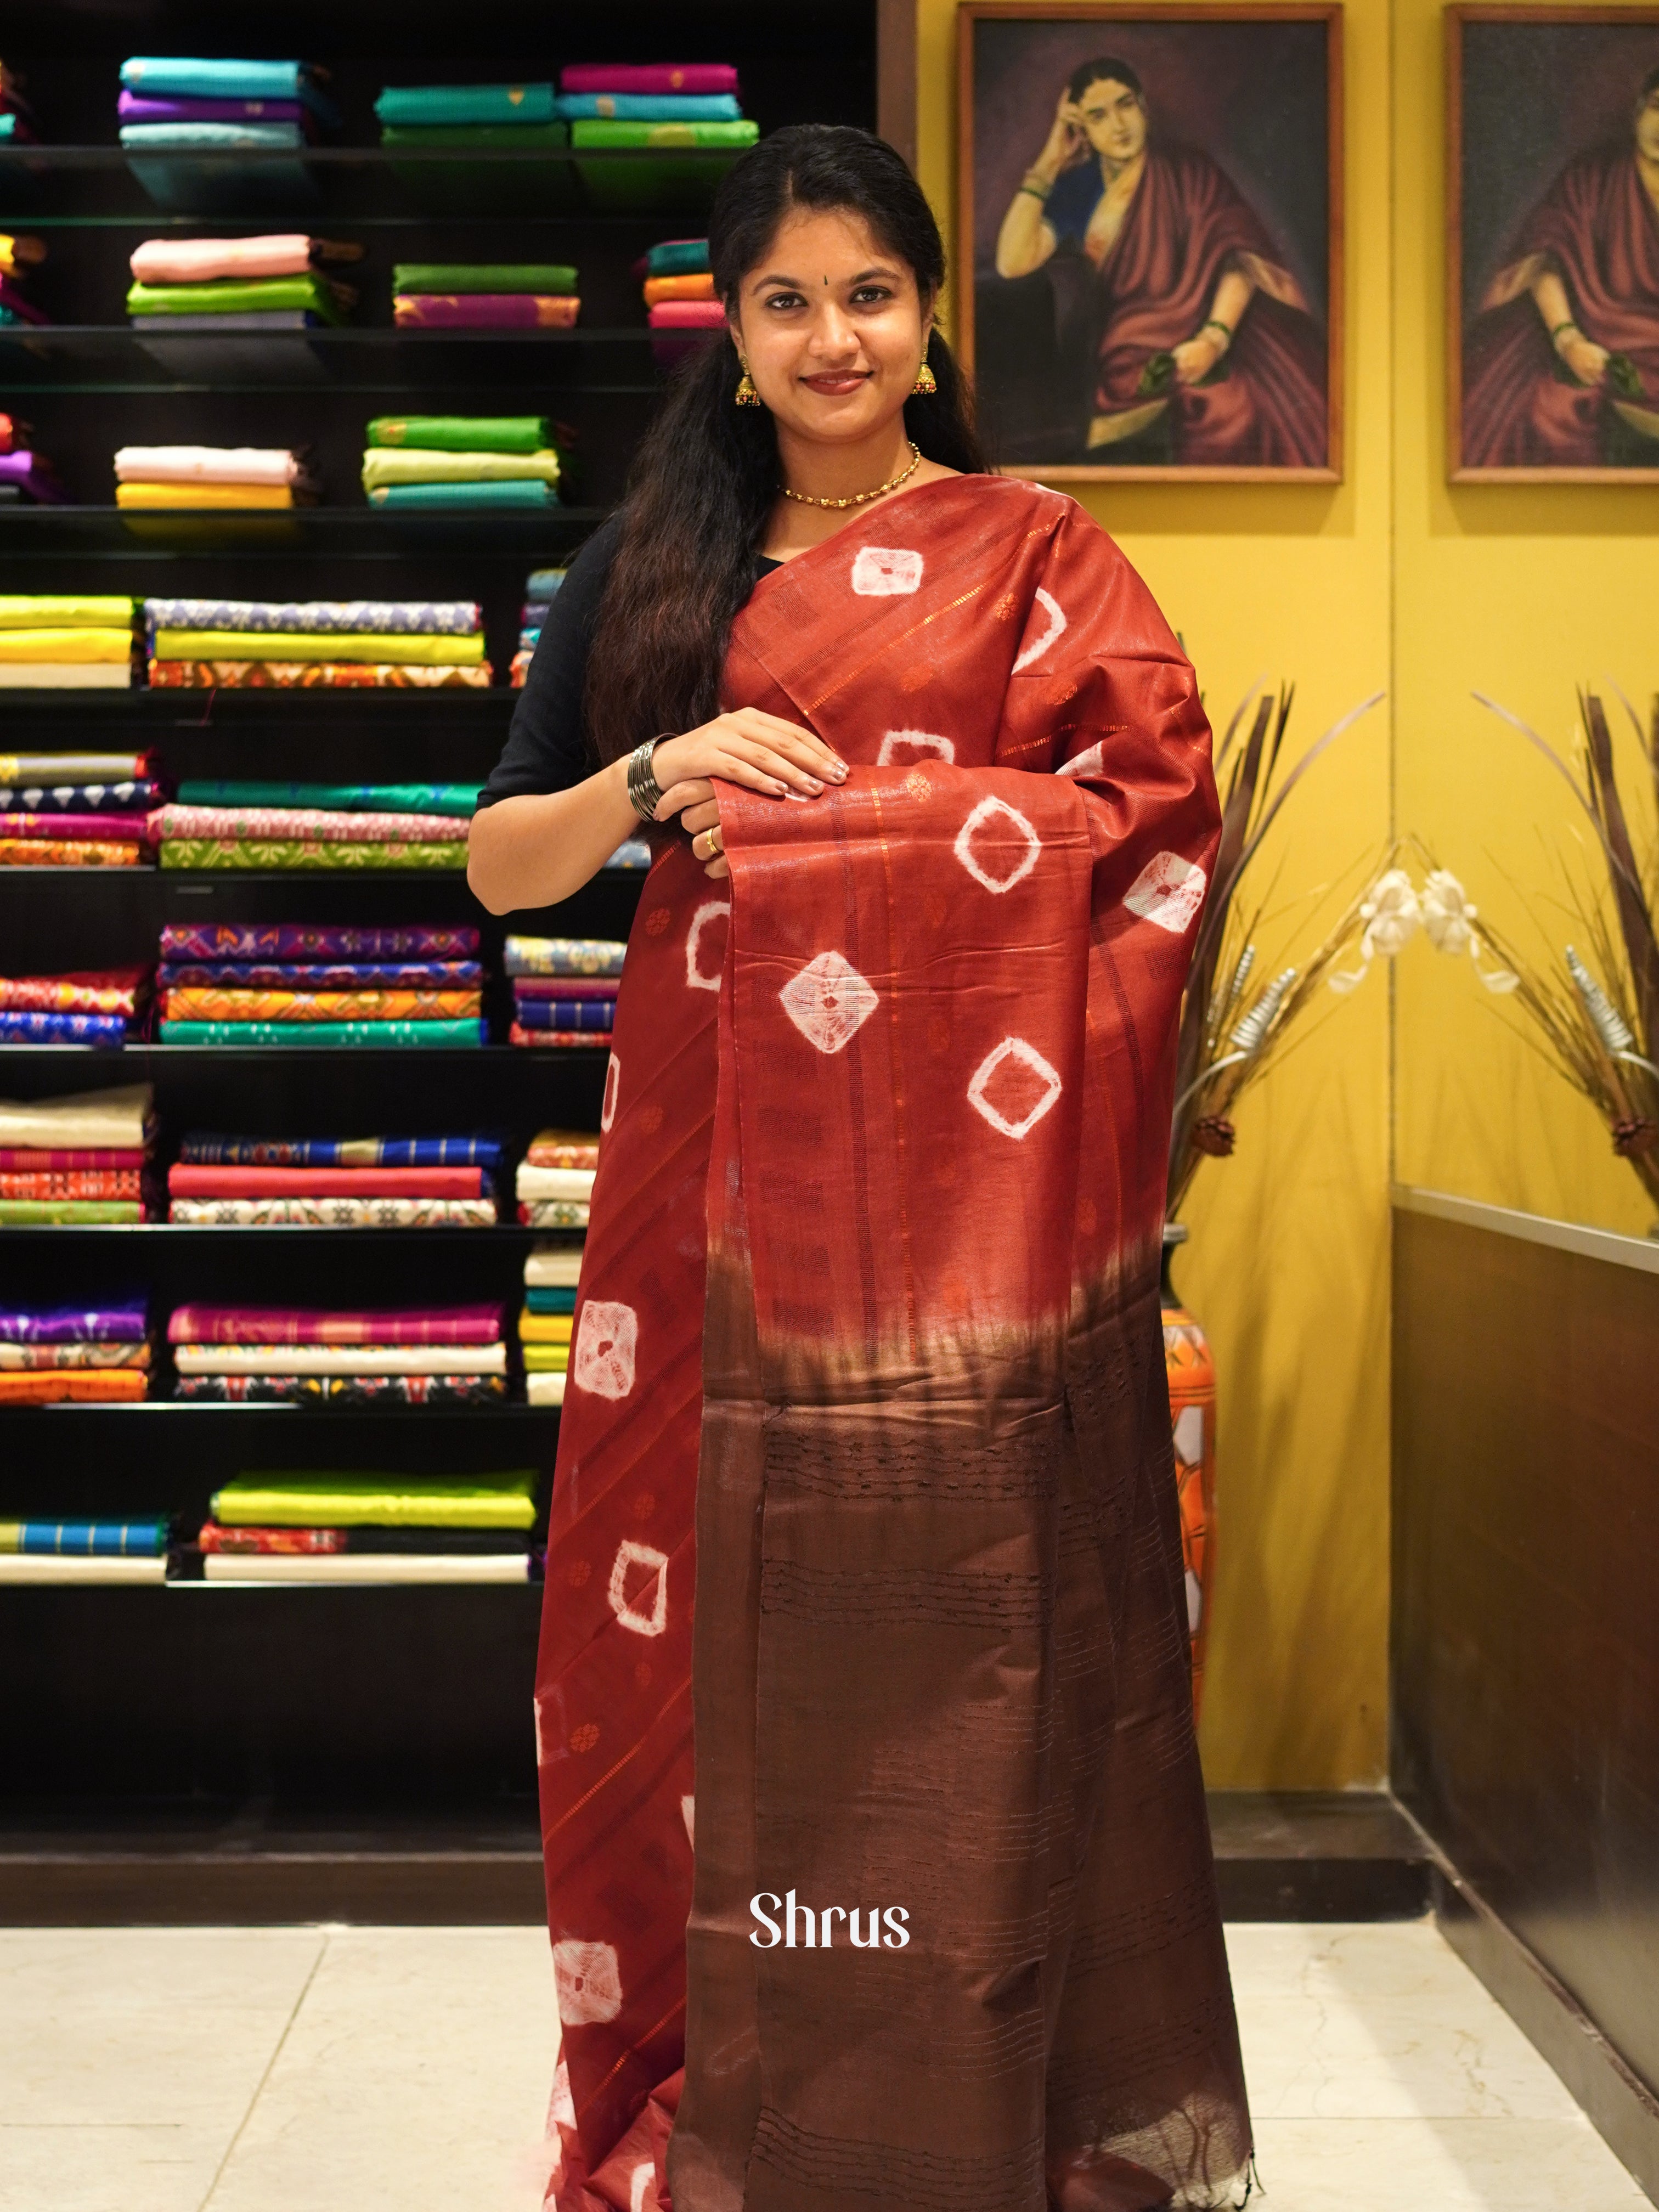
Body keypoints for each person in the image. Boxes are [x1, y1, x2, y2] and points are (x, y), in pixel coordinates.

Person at [469, 122, 1254, 2212]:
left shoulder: (1035, 549)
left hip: (944, 1222)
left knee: (949, 1614)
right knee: (669, 1629)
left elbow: (1156, 824)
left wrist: (858, 841)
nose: (833, 337)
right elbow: (499, 860)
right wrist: (658, 768)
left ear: (927, 319)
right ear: (730, 342)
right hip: (699, 1182)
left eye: (869, 294)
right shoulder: (654, 567)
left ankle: (953, 2081)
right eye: (786, 302)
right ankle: (713, 2081)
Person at [994, 56, 1327, 466]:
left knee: (1233, 408)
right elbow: (1013, 262)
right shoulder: (1079, 190)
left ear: (1144, 108)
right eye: (1099, 115)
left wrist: (1213, 339)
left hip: (1210, 336)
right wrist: (1049, 160)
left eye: (1125, 104)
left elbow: (1240, 260)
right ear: (1080, 129)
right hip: (1124, 356)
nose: (1119, 124)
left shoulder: (1191, 174)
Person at [1462, 63, 1659, 469]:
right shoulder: (1593, 178)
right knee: (1550, 414)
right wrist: (1568, 339)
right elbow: (1545, 258)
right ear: (1640, 111)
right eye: (1658, 107)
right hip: (1601, 346)